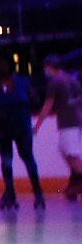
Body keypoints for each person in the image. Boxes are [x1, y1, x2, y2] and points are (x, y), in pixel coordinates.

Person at [0, 54, 45, 210]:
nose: (2, 67)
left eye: (5, 64)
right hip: (2, 126)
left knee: (28, 159)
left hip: (21, 125)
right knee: (7, 161)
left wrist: (32, 97)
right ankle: (10, 194)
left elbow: (35, 100)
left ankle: (38, 194)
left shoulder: (23, 81)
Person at [40, 56, 82, 201]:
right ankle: (75, 181)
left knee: (71, 154)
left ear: (50, 67)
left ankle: (78, 178)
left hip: (68, 122)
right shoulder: (72, 80)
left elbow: (48, 105)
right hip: (76, 120)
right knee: (65, 150)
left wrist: (38, 125)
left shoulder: (55, 82)